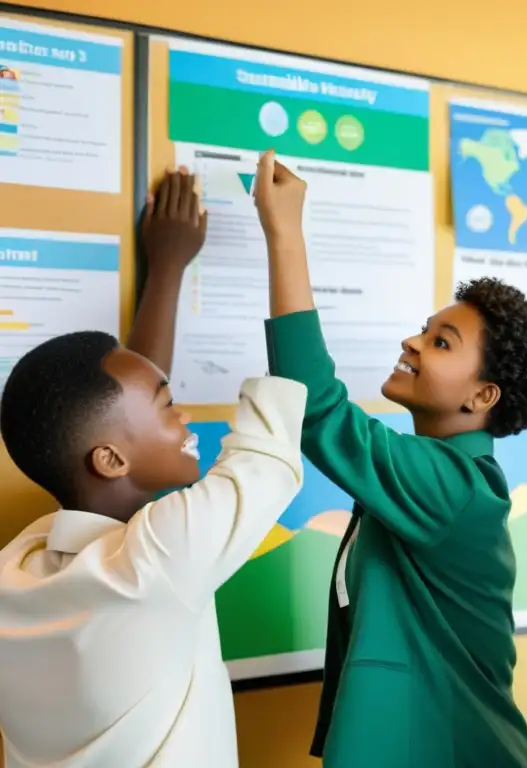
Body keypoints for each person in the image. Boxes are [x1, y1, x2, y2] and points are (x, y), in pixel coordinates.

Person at [256, 151, 527, 766]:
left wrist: (284, 232)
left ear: (482, 396)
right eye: (426, 328)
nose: (413, 342)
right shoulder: (429, 474)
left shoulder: (455, 486)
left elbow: (317, 410)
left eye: (441, 342)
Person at [0, 168, 307, 767]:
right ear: (110, 458)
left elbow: (117, 426)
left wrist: (166, 268)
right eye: (170, 404)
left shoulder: (19, 568)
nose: (186, 414)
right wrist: (285, 234)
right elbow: (269, 449)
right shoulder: (155, 563)